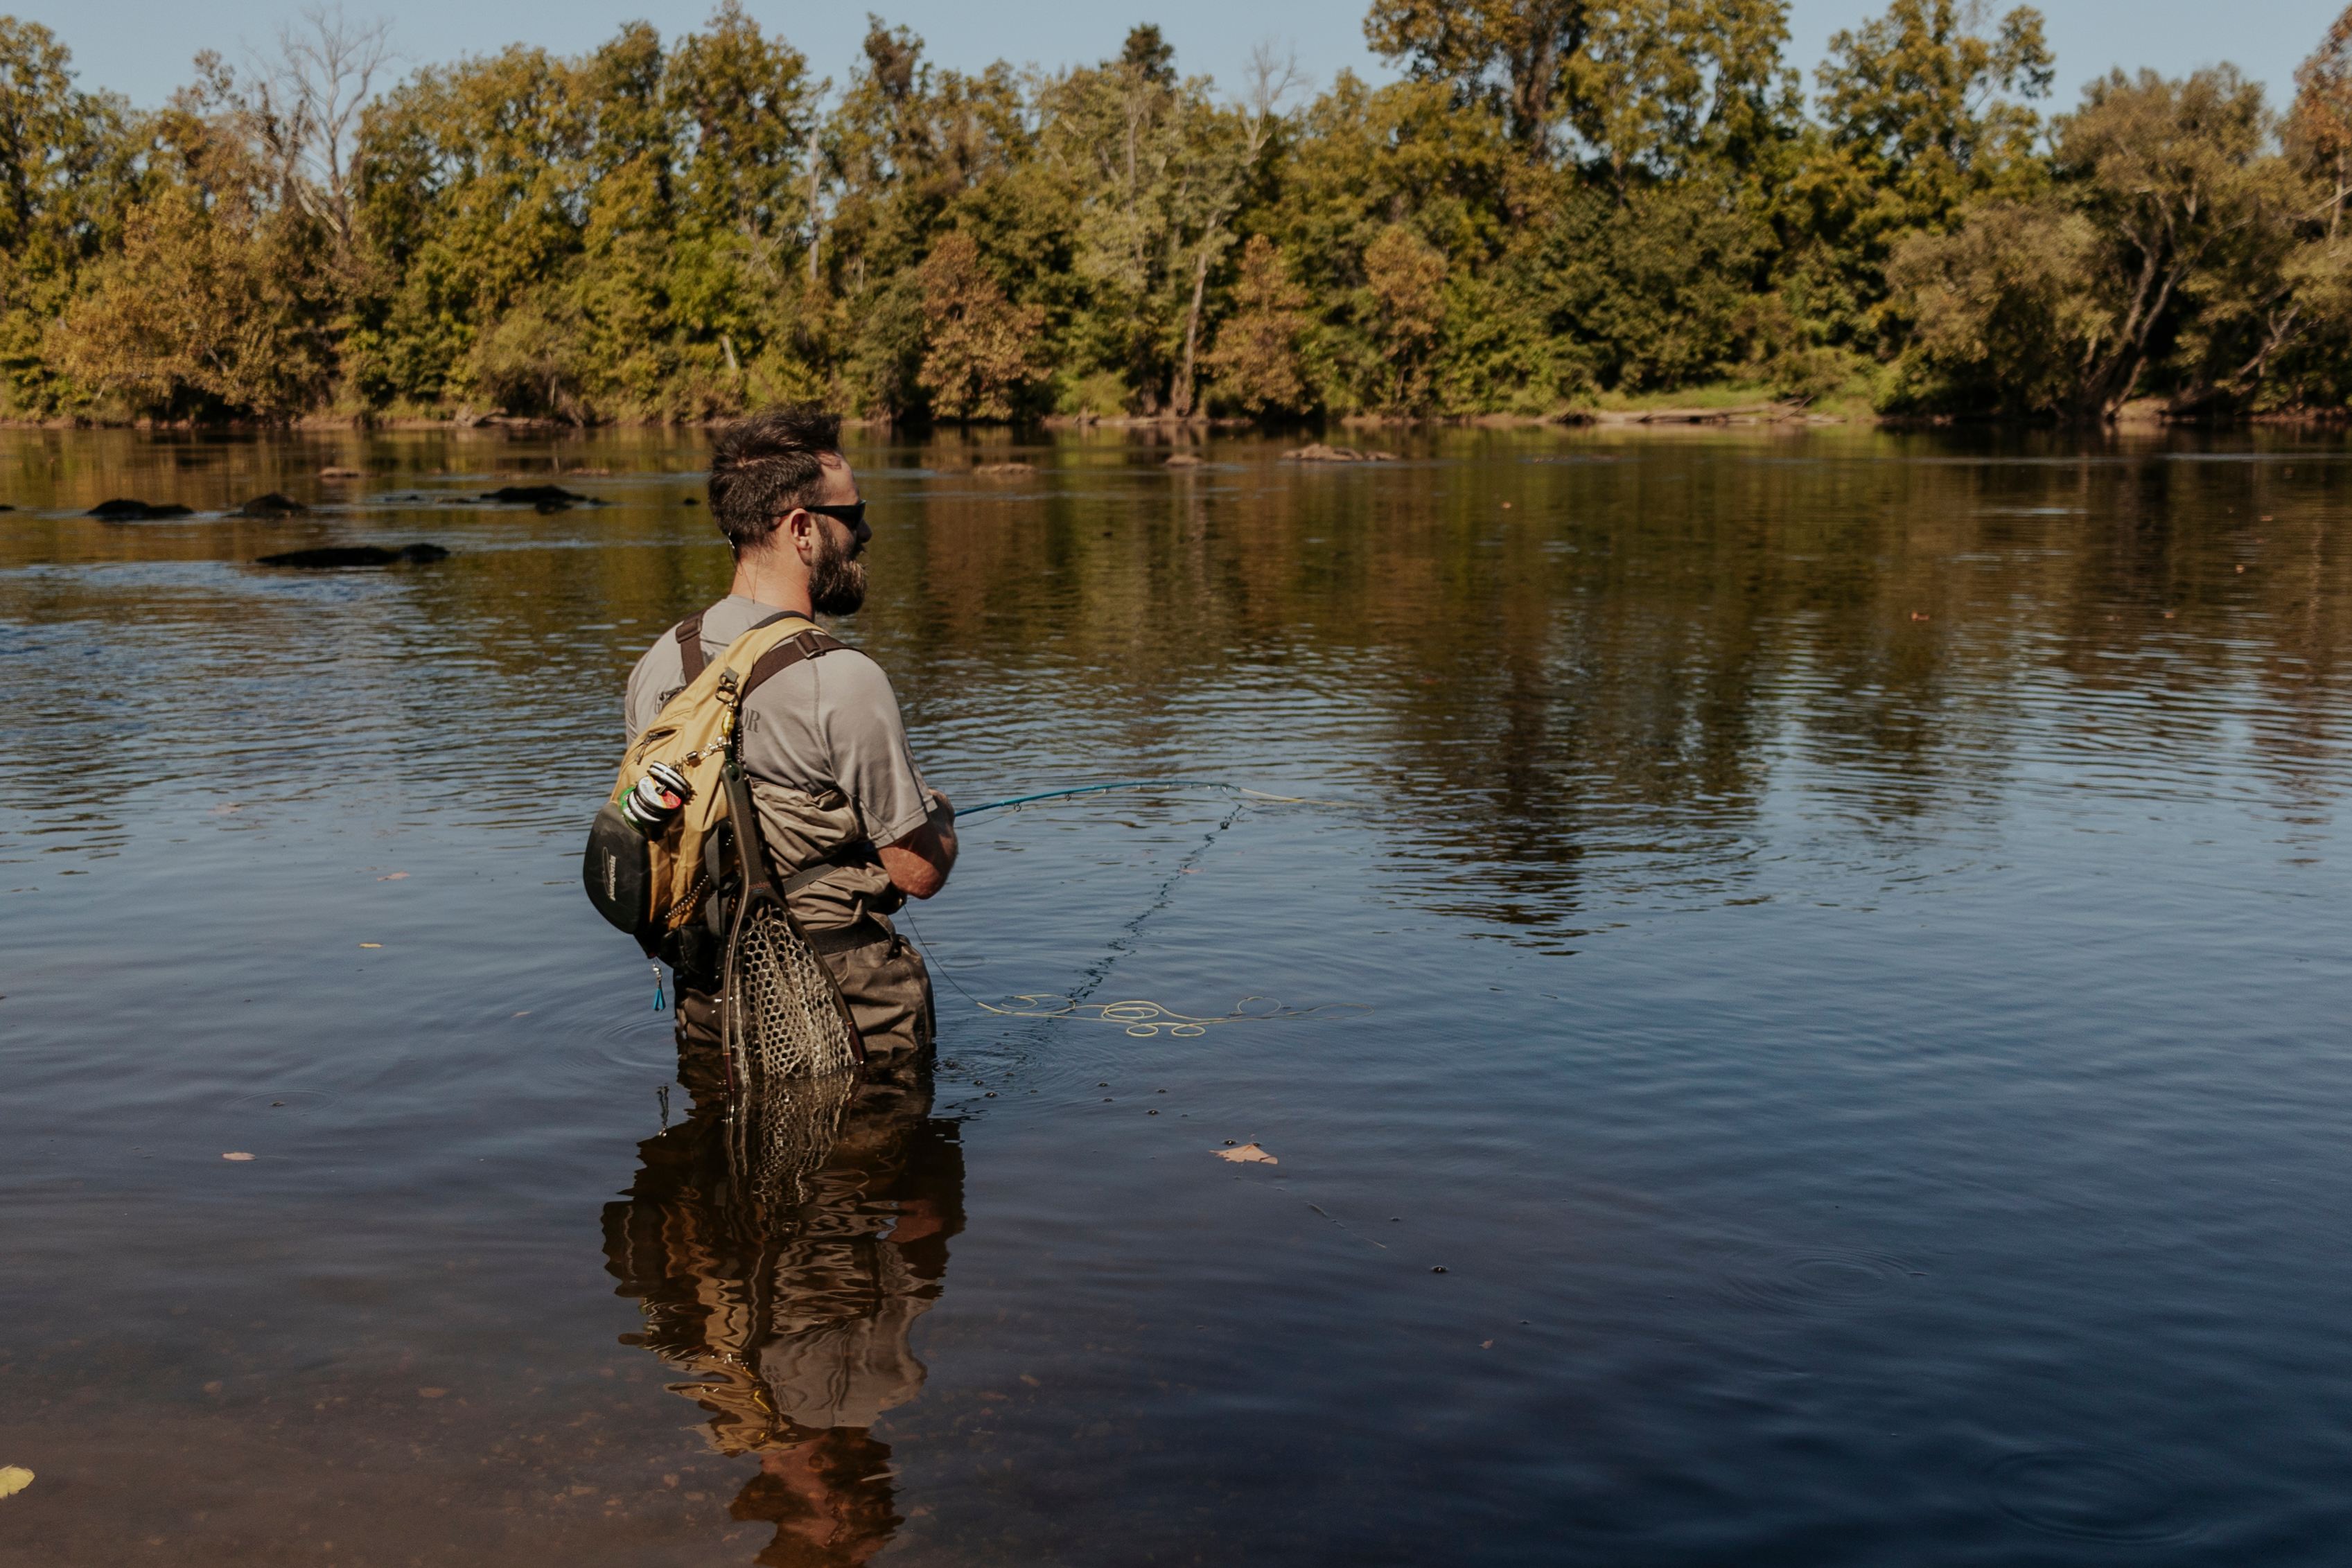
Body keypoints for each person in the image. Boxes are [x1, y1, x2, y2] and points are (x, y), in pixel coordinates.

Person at [624, 407, 957, 1084]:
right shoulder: (843, 678)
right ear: (801, 529)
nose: (865, 532)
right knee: (885, 1147)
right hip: (851, 1017)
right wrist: (939, 817)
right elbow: (917, 873)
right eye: (853, 514)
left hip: (710, 1008)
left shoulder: (657, 664)